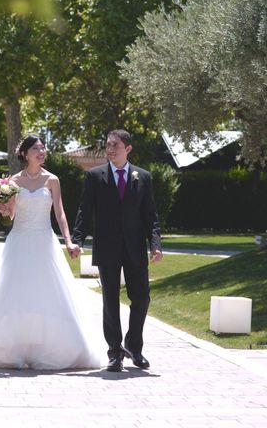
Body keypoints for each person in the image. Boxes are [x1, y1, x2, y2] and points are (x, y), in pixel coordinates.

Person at [0, 134, 102, 370]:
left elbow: (60, 213)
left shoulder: (52, 180)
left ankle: (46, 347)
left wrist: (68, 241)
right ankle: (13, 347)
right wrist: (3, 208)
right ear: (25, 153)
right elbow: (11, 215)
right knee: (16, 291)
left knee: (46, 292)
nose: (41, 151)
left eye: (43, 148)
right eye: (36, 148)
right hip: (20, 241)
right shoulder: (14, 181)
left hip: (44, 242)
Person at [71, 129, 162, 372]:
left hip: (135, 249)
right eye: (108, 145)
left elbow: (150, 215)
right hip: (107, 247)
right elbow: (85, 210)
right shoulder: (94, 176)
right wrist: (77, 239)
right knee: (110, 301)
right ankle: (114, 352)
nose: (110, 149)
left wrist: (155, 244)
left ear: (128, 148)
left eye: (115, 145)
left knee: (142, 298)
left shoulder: (142, 177)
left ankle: (134, 346)